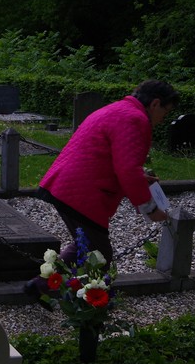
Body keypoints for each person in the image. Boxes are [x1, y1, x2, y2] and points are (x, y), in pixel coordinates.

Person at [35, 79, 177, 272]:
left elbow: (114, 158)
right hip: (83, 193)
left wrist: (140, 179)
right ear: (155, 104)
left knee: (86, 248)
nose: (163, 119)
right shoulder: (136, 119)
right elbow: (128, 169)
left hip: (67, 185)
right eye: (165, 112)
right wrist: (150, 209)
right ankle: (45, 287)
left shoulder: (118, 109)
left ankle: (41, 285)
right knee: (99, 257)